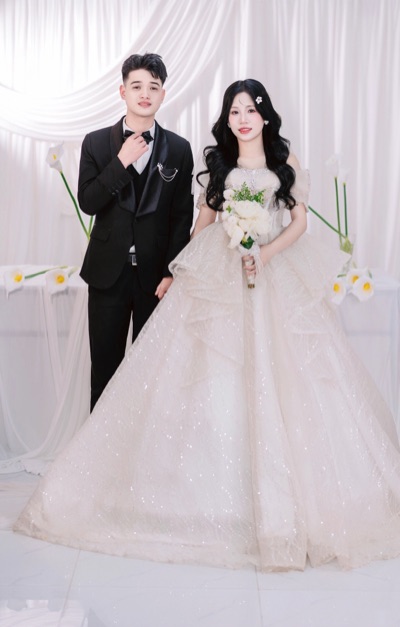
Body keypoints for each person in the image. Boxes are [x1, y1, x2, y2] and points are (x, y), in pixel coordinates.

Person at [14, 79, 400, 572]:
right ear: (227, 119)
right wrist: (180, 270)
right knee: (209, 376)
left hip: (273, 270)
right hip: (222, 270)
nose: (243, 119)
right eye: (234, 111)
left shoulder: (284, 159)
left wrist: (265, 253)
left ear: (264, 115)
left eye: (250, 110)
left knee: (295, 375)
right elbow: (204, 224)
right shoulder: (219, 162)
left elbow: (300, 222)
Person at [78, 53, 194, 410]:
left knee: (152, 376)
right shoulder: (96, 143)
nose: (145, 94)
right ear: (123, 91)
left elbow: (181, 216)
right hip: (107, 275)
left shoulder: (179, 148)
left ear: (163, 94)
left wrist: (171, 271)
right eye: (137, 86)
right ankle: (99, 446)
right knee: (105, 372)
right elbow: (88, 202)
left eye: (153, 87)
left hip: (154, 279)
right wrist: (121, 162)